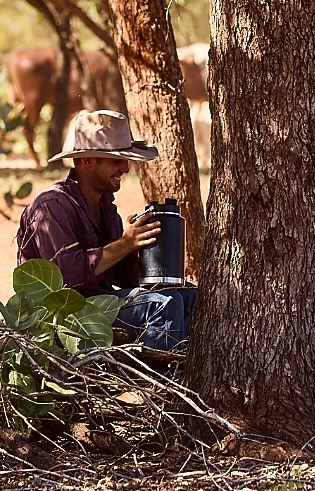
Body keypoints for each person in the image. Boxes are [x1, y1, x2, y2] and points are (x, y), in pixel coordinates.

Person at [16, 110, 196, 352]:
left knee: (189, 295)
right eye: (116, 160)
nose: (126, 168)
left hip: (100, 306)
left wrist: (144, 246)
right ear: (87, 161)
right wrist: (123, 244)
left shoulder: (106, 207)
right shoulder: (52, 206)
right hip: (65, 319)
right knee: (163, 304)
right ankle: (158, 384)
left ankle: (185, 373)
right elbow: (65, 279)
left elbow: (123, 277)